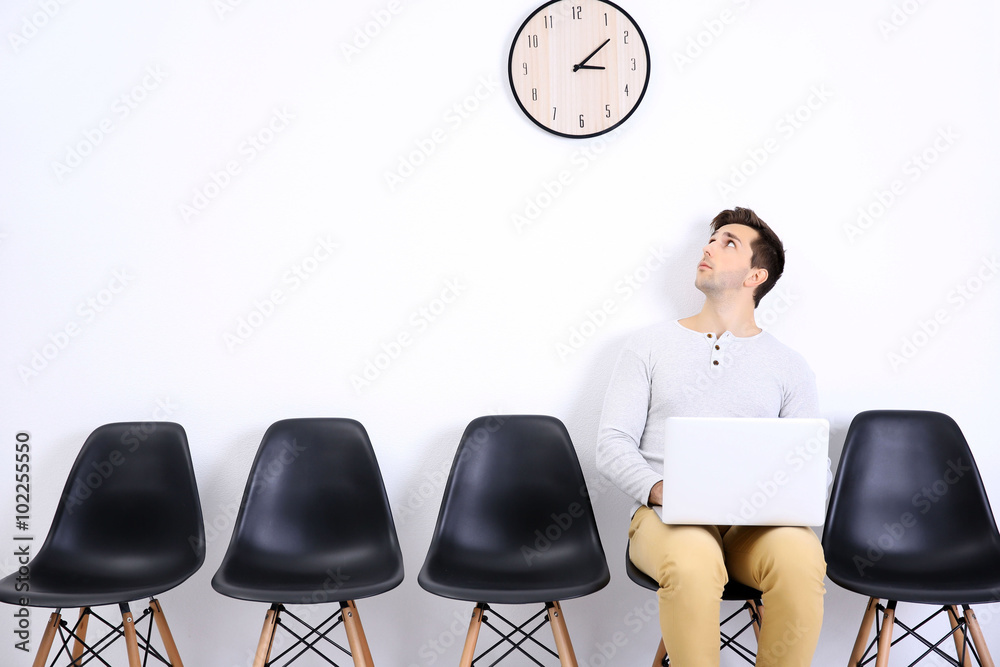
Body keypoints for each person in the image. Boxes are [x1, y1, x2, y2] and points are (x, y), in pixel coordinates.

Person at [596, 207, 826, 667]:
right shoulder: (649, 346)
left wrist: (799, 495)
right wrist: (660, 491)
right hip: (667, 520)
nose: (708, 247)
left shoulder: (788, 366)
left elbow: (812, 465)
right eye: (712, 239)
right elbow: (612, 443)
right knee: (694, 560)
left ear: (755, 276)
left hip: (752, 529)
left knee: (802, 557)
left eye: (728, 243)